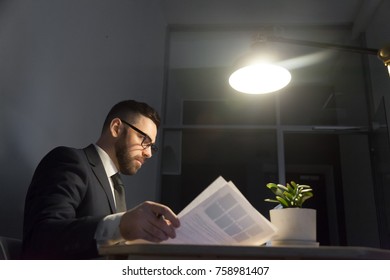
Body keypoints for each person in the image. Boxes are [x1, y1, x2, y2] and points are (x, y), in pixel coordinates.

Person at [22, 100, 180, 259]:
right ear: (116, 128)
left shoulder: (117, 185)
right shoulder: (69, 161)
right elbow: (41, 237)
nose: (148, 153)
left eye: (151, 146)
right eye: (143, 139)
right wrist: (121, 226)